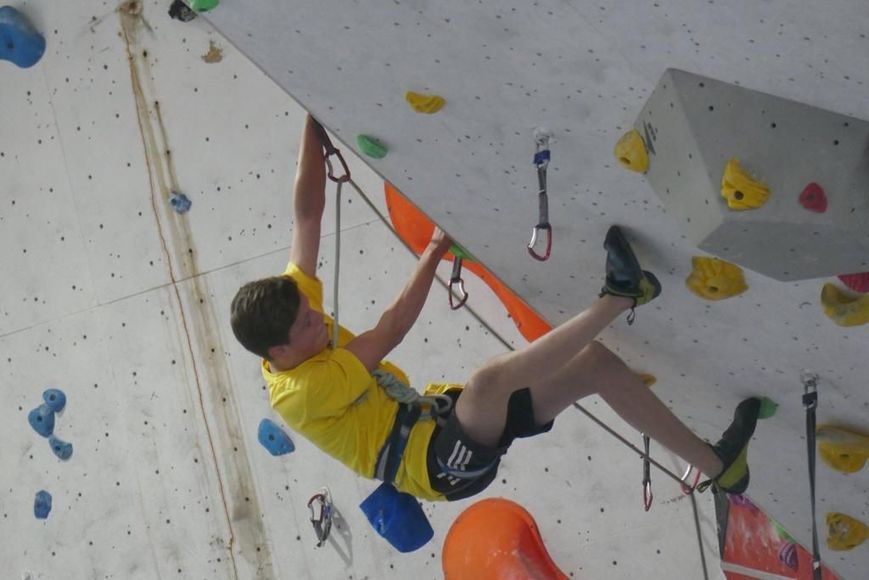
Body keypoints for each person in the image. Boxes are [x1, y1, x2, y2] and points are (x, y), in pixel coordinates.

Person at [230, 114, 761, 502]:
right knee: (488, 383)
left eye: (310, 310)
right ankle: (622, 294)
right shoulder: (304, 393)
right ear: (280, 352)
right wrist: (434, 249)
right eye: (307, 325)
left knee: (596, 365)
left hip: (439, 418)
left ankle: (722, 467)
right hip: (437, 465)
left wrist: (312, 121)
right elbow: (390, 330)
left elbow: (307, 218)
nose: (318, 317)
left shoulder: (290, 314)